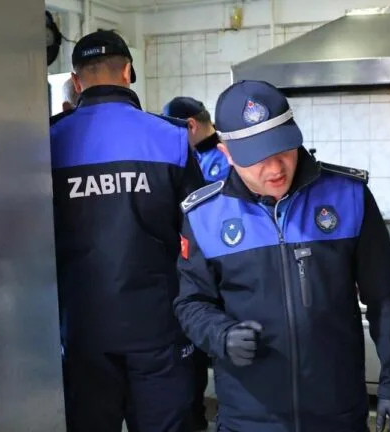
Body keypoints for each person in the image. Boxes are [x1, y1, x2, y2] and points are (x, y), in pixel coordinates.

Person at [174, 80, 390, 432]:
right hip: (249, 417)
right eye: (257, 157)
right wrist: (220, 334)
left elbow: (386, 302)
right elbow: (190, 303)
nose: (275, 169)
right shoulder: (204, 216)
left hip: (337, 412)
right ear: (226, 153)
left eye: (283, 149)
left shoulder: (349, 197)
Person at [50, 29, 205, 432]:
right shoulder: (171, 138)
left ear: (77, 79)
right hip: (160, 329)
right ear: (128, 72)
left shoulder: (47, 141)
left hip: (81, 331)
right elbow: (200, 236)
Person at [161, 96, 231, 430]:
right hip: (196, 272)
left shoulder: (220, 159)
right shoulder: (199, 155)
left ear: (190, 125)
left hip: (215, 273)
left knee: (202, 355)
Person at [163, 97, 229, 185]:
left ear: (191, 126)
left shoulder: (229, 157)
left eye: (171, 131)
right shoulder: (193, 154)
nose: (169, 139)